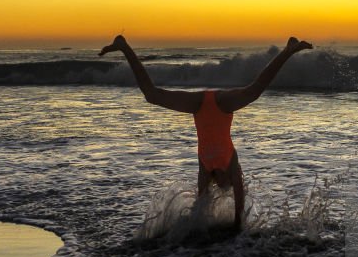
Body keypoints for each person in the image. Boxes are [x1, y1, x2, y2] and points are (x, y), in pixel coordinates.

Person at [100, 35, 313, 231]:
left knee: (152, 96)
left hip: (199, 105)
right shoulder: (233, 168)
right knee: (255, 90)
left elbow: (199, 210)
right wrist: (238, 228)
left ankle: (124, 46)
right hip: (222, 104)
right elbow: (239, 211)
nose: (221, 184)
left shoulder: (205, 171)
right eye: (224, 184)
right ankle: (288, 50)